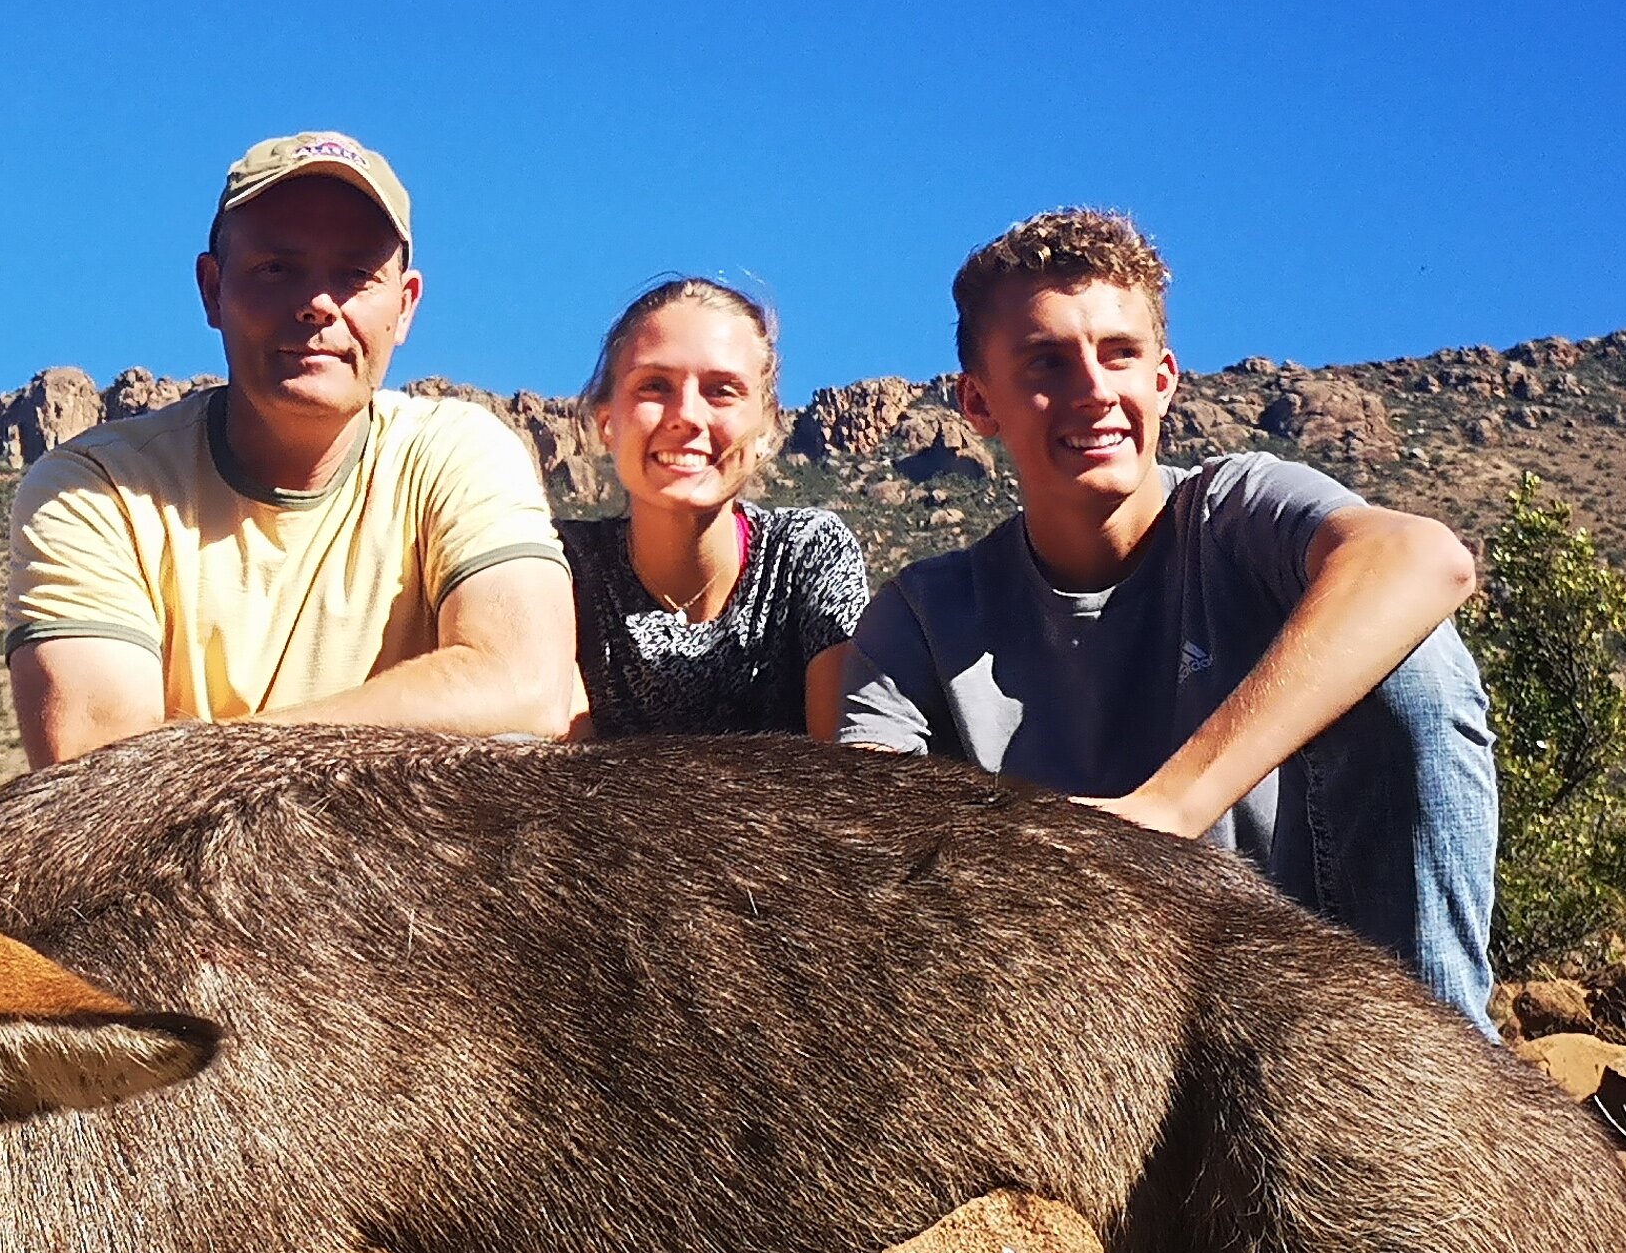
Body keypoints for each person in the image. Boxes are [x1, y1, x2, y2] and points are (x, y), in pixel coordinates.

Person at [834, 208, 1500, 1028]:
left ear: (1164, 378)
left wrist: (1168, 813)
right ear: (978, 402)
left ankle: (1449, 1059)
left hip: (1318, 1008)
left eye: (1121, 354)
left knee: (1414, 653)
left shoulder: (1238, 510)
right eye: (1046, 363)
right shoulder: (922, 617)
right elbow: (861, 839)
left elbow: (1425, 559)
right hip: (1073, 1024)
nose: (1094, 391)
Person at [7, 130, 576, 768]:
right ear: (212, 289)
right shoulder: (95, 488)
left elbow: (527, 688)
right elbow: (97, 778)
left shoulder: (459, 452)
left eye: (357, 275)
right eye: (276, 269)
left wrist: (204, 758)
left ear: (406, 305)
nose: (317, 306)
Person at [559, 277, 871, 740]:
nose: (686, 414)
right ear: (608, 423)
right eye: (654, 386)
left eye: (721, 390)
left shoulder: (806, 553)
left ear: (766, 428)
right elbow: (559, 773)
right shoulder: (562, 564)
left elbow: (845, 767)